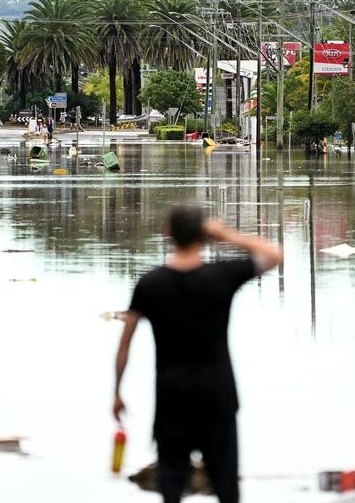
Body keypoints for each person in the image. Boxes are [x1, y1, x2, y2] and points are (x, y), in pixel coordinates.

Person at [113, 205, 283, 503]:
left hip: (171, 400)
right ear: (203, 235)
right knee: (226, 487)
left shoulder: (150, 284)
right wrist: (226, 234)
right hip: (217, 398)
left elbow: (125, 344)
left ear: (168, 233)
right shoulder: (221, 276)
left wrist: (117, 392)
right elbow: (274, 254)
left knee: (171, 487)